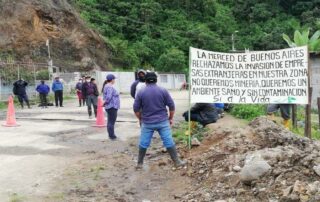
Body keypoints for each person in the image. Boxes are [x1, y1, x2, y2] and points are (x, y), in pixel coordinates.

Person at [133, 71, 186, 169]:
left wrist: (141, 119)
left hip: (147, 123)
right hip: (162, 121)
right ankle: (177, 162)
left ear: (145, 81)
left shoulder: (141, 92)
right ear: (156, 80)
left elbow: (136, 109)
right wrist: (170, 118)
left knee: (144, 143)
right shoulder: (163, 90)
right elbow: (172, 106)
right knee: (168, 141)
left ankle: (139, 164)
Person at [103, 74, 120, 140]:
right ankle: (112, 136)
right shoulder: (109, 86)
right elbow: (109, 97)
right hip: (112, 106)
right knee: (111, 122)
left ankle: (110, 135)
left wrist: (105, 103)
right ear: (112, 80)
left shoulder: (107, 85)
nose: (114, 80)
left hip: (110, 106)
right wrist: (105, 103)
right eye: (114, 79)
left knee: (110, 121)